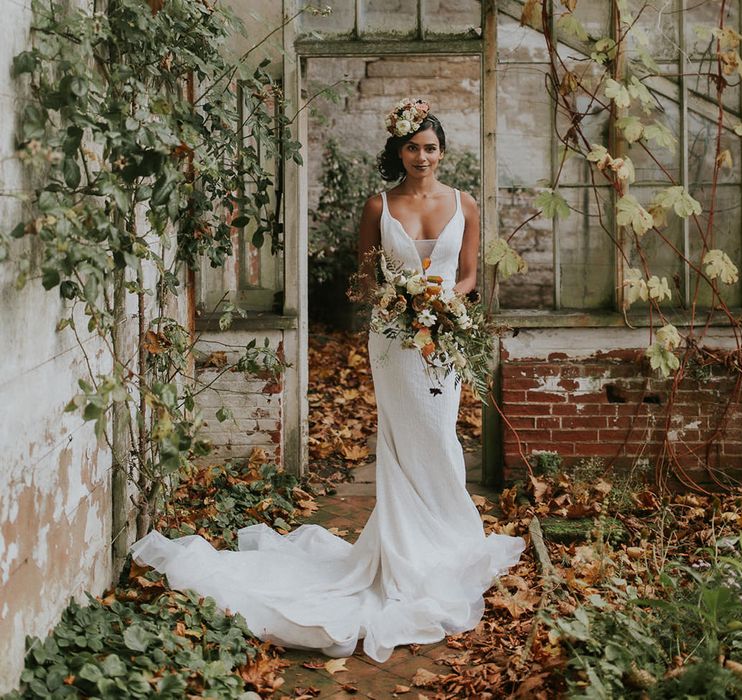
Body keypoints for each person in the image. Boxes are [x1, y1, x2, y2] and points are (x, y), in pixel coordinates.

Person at [130, 99, 525, 664]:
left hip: (442, 335)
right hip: (393, 340)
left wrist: (441, 301)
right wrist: (397, 300)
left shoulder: (465, 203)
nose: (422, 156)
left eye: (430, 147)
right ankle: (400, 551)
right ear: (399, 151)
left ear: (442, 152)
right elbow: (363, 279)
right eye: (412, 147)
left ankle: (448, 544)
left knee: (438, 436)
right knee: (401, 440)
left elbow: (467, 275)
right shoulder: (377, 205)